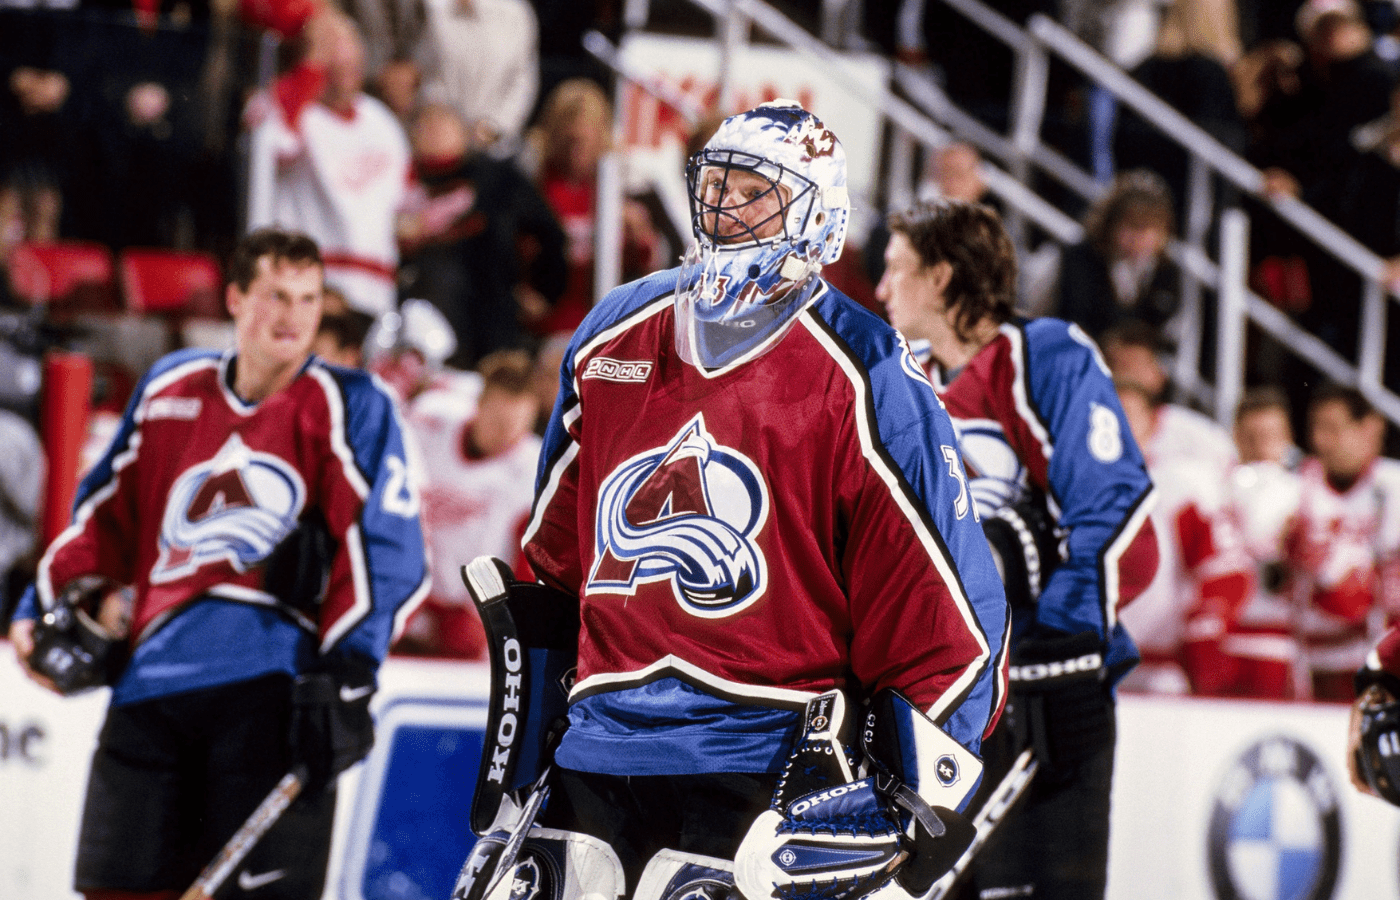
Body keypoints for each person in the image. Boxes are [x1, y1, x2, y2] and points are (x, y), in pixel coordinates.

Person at [512, 101, 1010, 898]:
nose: (725, 208)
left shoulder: (866, 368)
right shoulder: (611, 333)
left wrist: (919, 787)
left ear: (818, 213)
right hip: (598, 748)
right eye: (718, 185)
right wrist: (526, 727)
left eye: (756, 191)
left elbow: (942, 598)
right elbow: (553, 559)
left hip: (766, 760)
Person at [7, 227, 430, 900]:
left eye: (308, 299)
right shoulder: (170, 388)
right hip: (150, 691)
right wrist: (39, 603)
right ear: (235, 298)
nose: (293, 316)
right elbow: (105, 520)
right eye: (275, 296)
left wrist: (352, 671)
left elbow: (385, 546)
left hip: (270, 694)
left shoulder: (350, 405)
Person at [876, 198, 1159, 900]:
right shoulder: (898, 378)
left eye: (895, 270)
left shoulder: (1046, 355)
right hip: (948, 698)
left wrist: (1057, 648)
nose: (881, 290)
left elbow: (1115, 512)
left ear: (941, 279)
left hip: (1047, 689)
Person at [244, 7, 411, 316]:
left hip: (377, 289)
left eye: (349, 43)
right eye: (331, 45)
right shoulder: (286, 104)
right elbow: (277, 146)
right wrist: (310, 68)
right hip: (310, 285)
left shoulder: (382, 122)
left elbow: (404, 199)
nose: (343, 55)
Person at [393, 348, 541, 658]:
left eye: (518, 424)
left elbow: (530, 561)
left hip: (466, 611)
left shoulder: (533, 467)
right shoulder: (430, 423)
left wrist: (513, 623)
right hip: (403, 589)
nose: (507, 434)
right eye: (498, 421)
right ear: (480, 404)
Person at [1113, 379, 1254, 695]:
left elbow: (1226, 569)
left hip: (1159, 668)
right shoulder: (1065, 487)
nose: (1116, 425)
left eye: (1128, 415)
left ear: (1153, 425)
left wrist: (1204, 635)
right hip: (1087, 669)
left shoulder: (1180, 486)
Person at [1054, 169, 1182, 346]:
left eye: (1148, 228)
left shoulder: (1168, 272)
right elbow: (1072, 319)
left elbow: (1166, 336)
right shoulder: (1079, 259)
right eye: (1131, 226)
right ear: (1110, 225)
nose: (1137, 238)